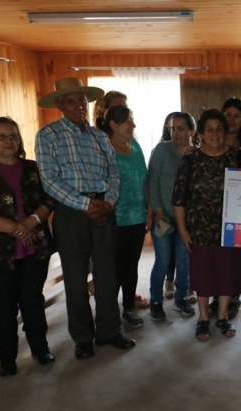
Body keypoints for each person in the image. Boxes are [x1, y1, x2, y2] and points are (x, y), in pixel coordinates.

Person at [35, 77, 135, 360]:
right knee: (76, 278)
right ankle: (82, 337)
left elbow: (113, 174)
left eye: (82, 100)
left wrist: (107, 203)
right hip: (71, 213)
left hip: (103, 209)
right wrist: (86, 205)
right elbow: (49, 180)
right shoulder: (48, 135)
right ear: (59, 105)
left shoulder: (99, 137)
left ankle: (109, 331)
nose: (78, 105)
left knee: (107, 274)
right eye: (71, 101)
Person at [0, 117, 56, 377]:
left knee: (32, 300)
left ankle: (40, 348)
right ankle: (7, 358)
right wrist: (17, 229)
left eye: (13, 135)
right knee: (4, 305)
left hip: (35, 248)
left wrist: (30, 222)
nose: (9, 141)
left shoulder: (33, 168)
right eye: (1, 136)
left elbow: (49, 199)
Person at [173, 109, 241, 340]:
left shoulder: (238, 157)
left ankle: (223, 316)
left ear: (225, 132)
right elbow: (179, 198)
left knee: (227, 272)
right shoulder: (190, 159)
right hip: (199, 228)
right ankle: (203, 318)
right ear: (201, 134)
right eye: (209, 129)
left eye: (219, 129)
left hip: (231, 229)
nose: (215, 133)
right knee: (203, 274)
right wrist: (182, 229)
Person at [93, 90, 150, 308]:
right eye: (128, 121)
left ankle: (128, 307)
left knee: (131, 265)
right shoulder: (102, 149)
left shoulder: (135, 146)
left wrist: (149, 209)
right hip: (113, 217)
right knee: (114, 267)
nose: (133, 125)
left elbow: (144, 178)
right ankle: (109, 311)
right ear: (113, 125)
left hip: (137, 216)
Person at [205, 98, 241, 319]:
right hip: (213, 211)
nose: (232, 120)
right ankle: (217, 298)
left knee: (236, 258)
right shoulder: (210, 141)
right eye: (228, 115)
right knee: (215, 257)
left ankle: (233, 298)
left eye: (237, 115)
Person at [148, 112, 196, 321]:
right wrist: (157, 210)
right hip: (163, 217)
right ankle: (155, 301)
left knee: (184, 261)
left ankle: (181, 298)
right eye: (172, 129)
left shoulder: (196, 154)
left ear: (191, 131)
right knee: (163, 260)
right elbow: (152, 181)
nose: (175, 133)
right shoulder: (161, 150)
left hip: (186, 219)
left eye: (180, 129)